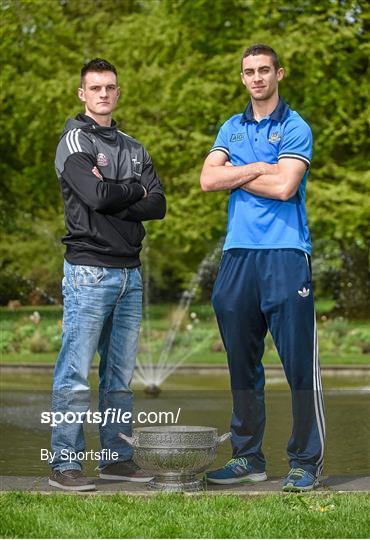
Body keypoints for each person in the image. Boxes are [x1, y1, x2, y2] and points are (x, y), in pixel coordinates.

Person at [200, 44, 325, 492]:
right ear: (242, 78)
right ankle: (247, 457)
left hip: (285, 254)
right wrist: (258, 167)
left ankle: (305, 461)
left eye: (264, 70)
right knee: (241, 364)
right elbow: (207, 179)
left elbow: (287, 186)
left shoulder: (295, 126)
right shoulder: (229, 127)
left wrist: (237, 172)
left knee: (298, 365)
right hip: (237, 256)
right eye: (249, 71)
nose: (256, 78)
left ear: (279, 74)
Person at [50, 58, 166, 491]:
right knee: (74, 373)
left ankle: (117, 459)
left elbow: (159, 204)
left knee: (119, 378)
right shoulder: (74, 140)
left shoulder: (135, 146)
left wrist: (125, 191)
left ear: (118, 92)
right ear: (82, 93)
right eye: (95, 88)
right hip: (88, 272)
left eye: (110, 87)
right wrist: (133, 189)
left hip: (129, 276)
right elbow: (96, 198)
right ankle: (64, 463)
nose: (103, 94)